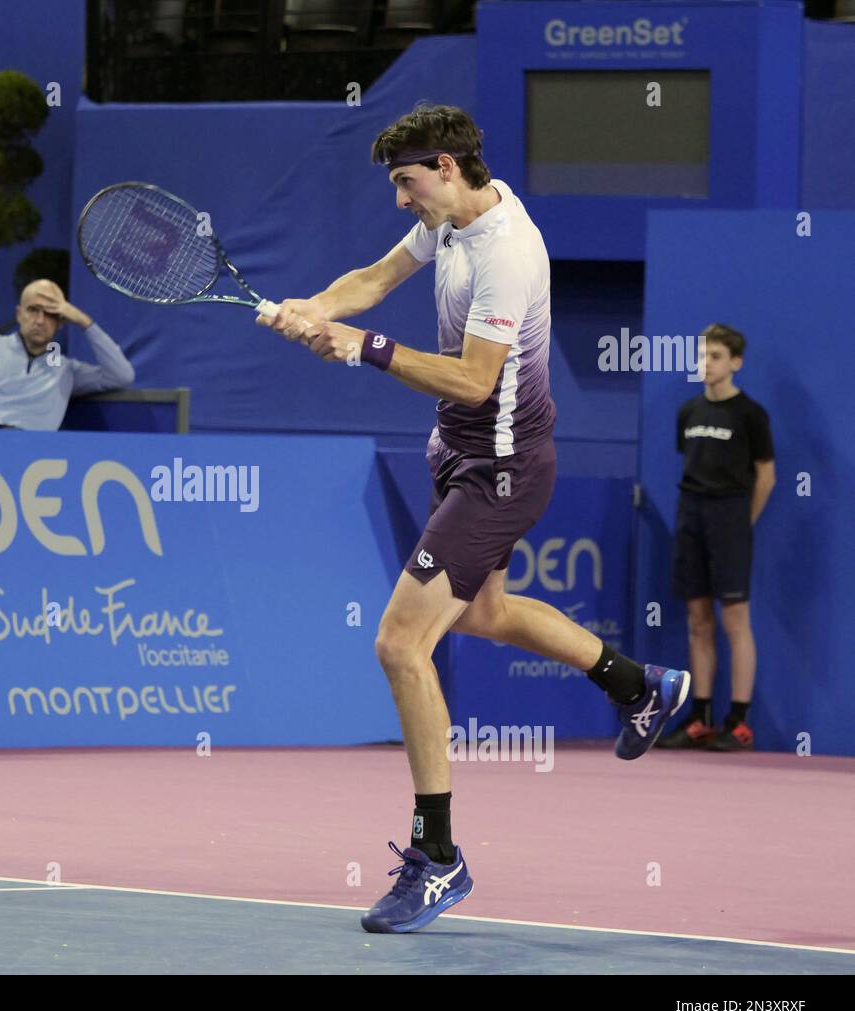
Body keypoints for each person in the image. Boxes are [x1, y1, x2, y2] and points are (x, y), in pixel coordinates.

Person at [258, 103, 691, 933]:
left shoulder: (507, 254)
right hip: (458, 459)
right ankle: (642, 686)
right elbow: (376, 279)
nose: (401, 200)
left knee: (398, 642)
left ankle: (438, 858)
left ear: (447, 169)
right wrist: (313, 309)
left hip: (500, 470)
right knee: (486, 613)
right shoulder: (452, 224)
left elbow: (473, 382)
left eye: (405, 182)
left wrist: (365, 348)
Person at [656, 324, 775, 752]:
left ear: (736, 363)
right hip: (691, 514)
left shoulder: (751, 415)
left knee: (734, 621)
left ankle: (739, 722)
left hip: (731, 518)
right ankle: (700, 718)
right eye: (703, 356)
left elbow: (766, 475)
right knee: (698, 621)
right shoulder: (688, 412)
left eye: (717, 357)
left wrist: (744, 520)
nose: (707, 364)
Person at [0, 278, 134, 430]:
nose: (40, 320)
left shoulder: (65, 369)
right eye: (33, 310)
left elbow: (122, 376)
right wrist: (0, 432)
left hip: (38, 462)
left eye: (50, 314)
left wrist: (83, 321)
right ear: (19, 314)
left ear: (61, 322)